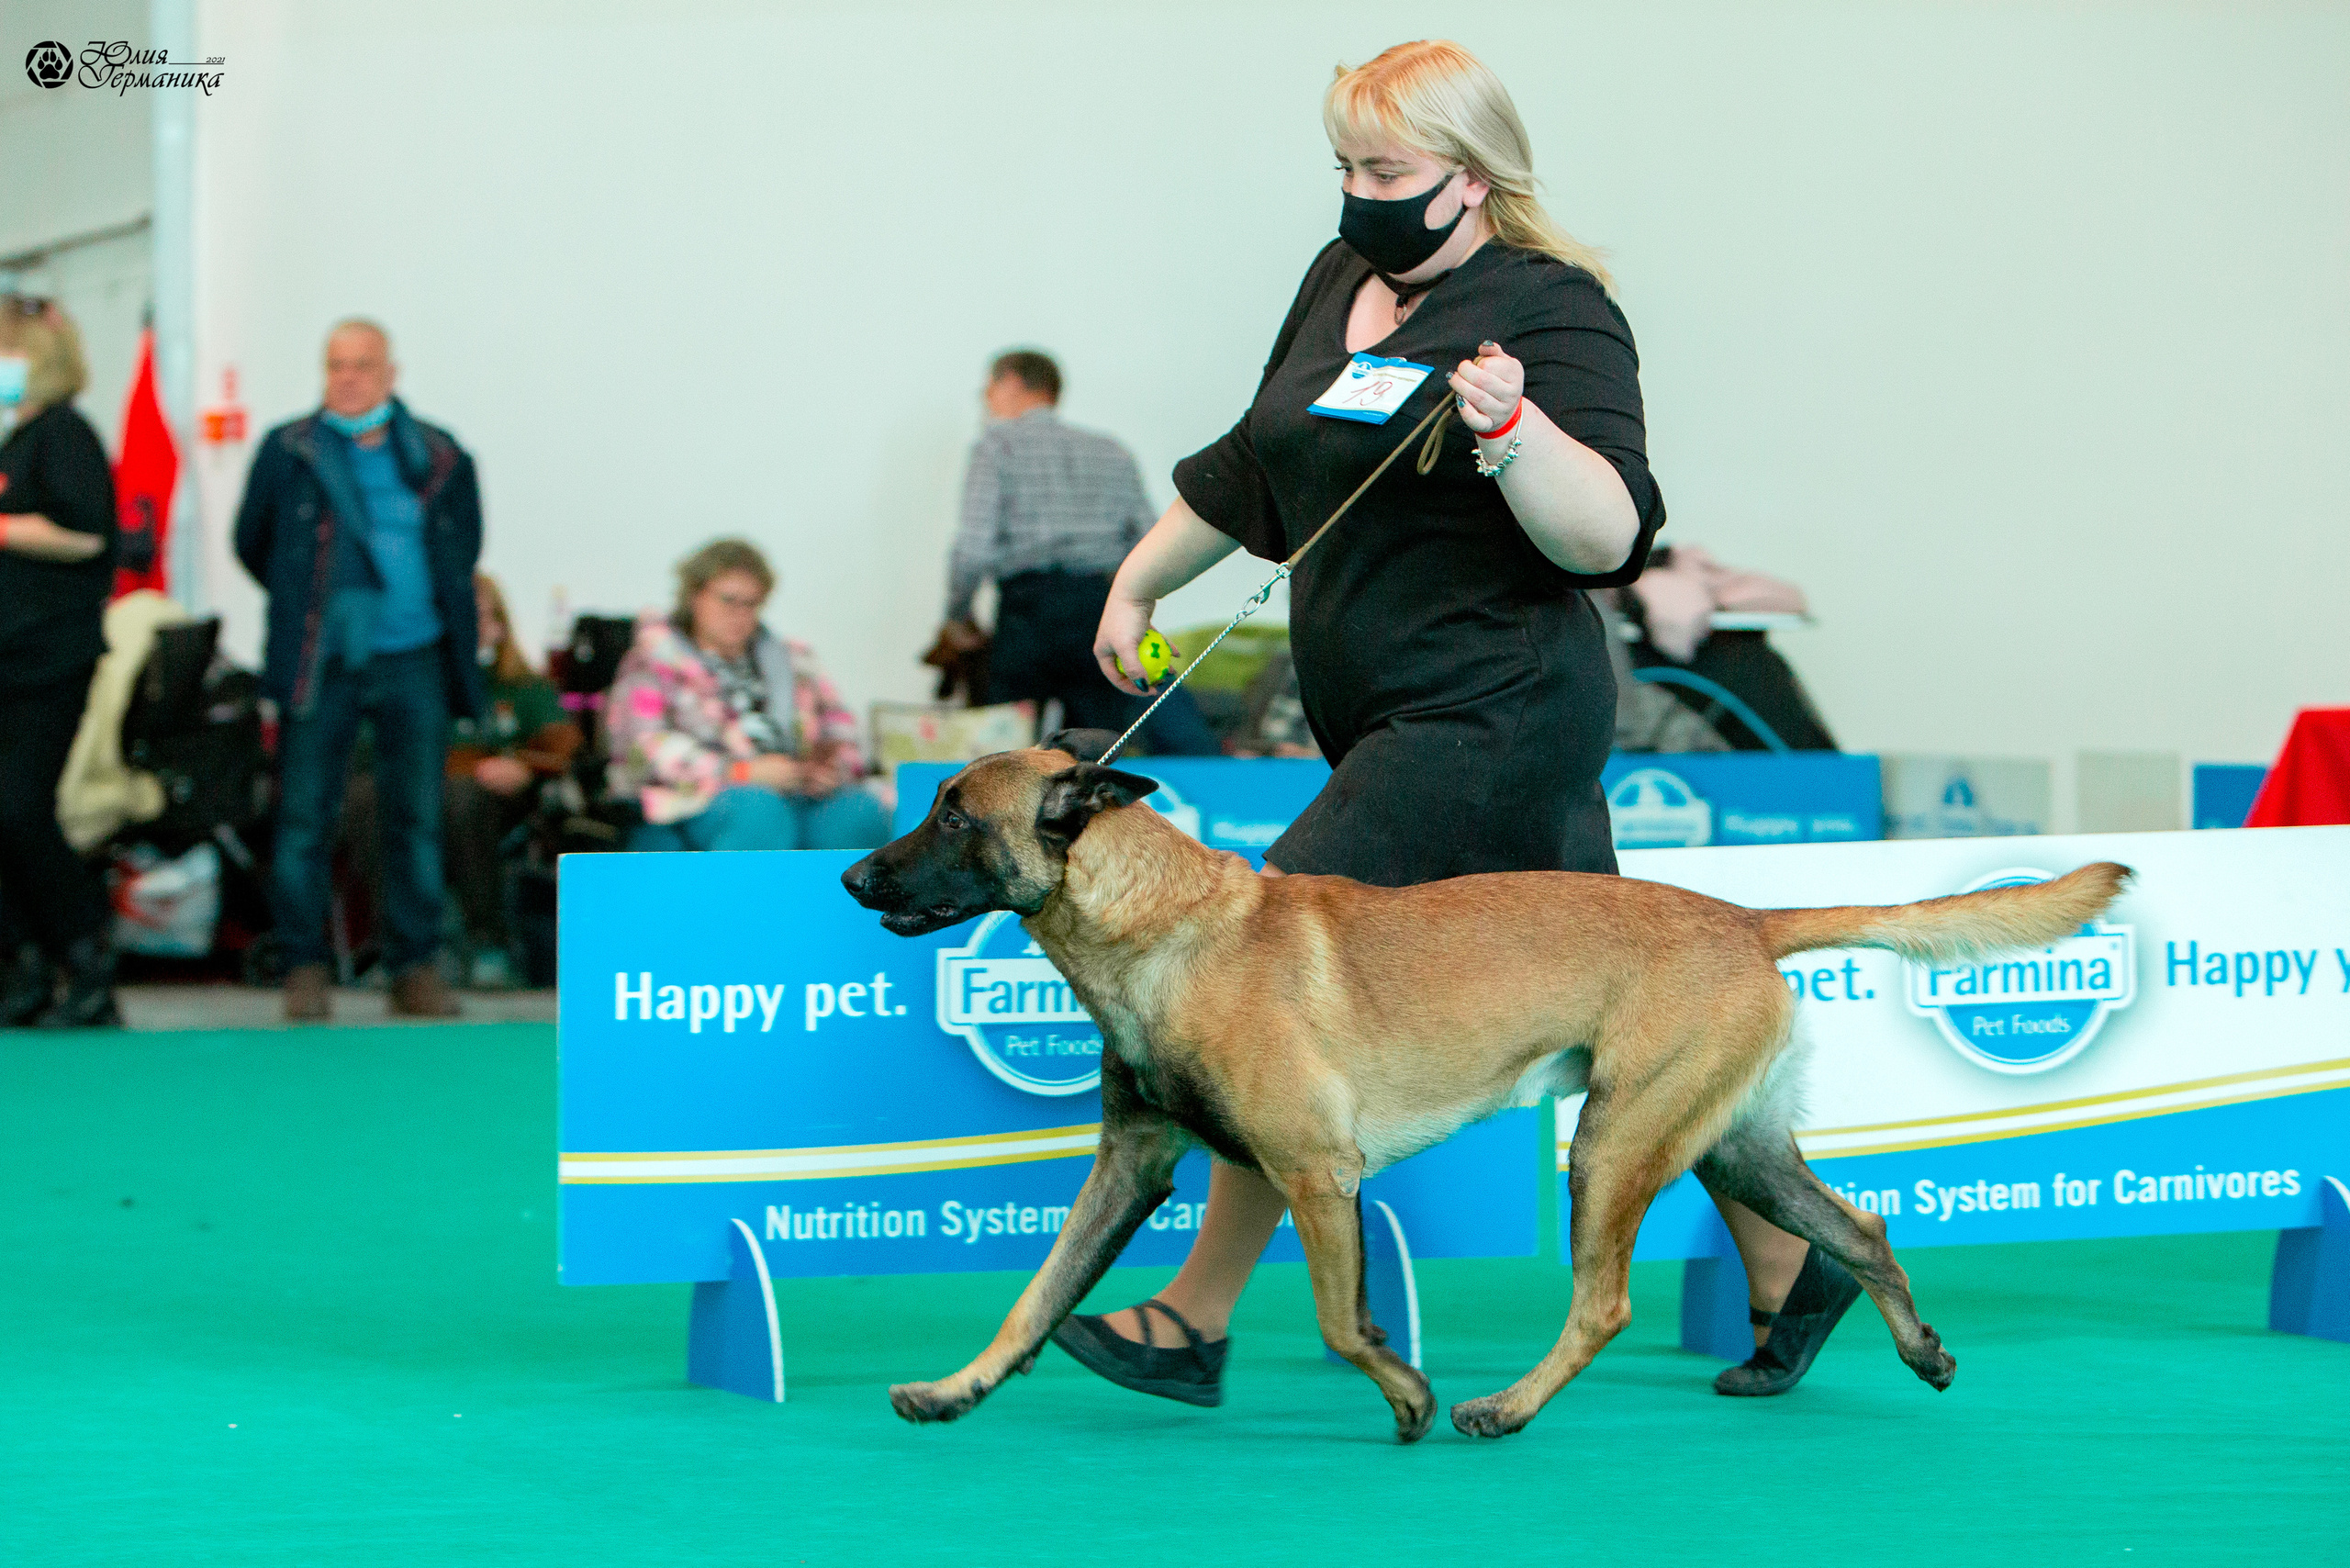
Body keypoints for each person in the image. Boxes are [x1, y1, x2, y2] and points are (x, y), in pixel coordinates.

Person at [1062, 39, 1860, 1406]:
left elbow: (1608, 532)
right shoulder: (1337, 283)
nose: (1358, 193)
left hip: (1493, 708)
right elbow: (1257, 458)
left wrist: (1515, 433)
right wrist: (1139, 579)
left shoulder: (1553, 310)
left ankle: (1193, 1318)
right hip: (1379, 710)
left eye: (1387, 169)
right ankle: (1795, 1264)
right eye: (1344, 166)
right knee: (1648, 1002)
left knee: (1264, 995)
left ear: (1474, 180)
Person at [235, 319, 483, 1021]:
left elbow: (461, 549)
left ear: (389, 373)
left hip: (416, 659)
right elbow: (253, 543)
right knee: (306, 817)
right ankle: (304, 967)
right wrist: (311, 608)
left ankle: (415, 967)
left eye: (361, 365)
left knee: (417, 818)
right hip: (323, 663)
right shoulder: (290, 451)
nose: (346, 377)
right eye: (335, 365)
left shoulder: (438, 455)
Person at [941, 351, 1219, 753]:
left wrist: (957, 617)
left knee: (1008, 752)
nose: (985, 400)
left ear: (1013, 383)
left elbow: (972, 551)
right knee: (1096, 753)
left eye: (988, 388)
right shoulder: (1110, 450)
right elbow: (1150, 539)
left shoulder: (996, 447)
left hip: (1026, 612)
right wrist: (1136, 607)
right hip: (1096, 605)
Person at [0, 295, 122, 1028]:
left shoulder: (64, 435)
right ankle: (24, 962)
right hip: (6, 657)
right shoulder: (14, 441)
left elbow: (86, 537)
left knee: (19, 808)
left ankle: (84, 948)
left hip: (48, 657)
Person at [607, 538, 889, 852]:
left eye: (752, 603)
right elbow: (645, 748)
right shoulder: (652, 660)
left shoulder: (794, 660)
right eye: (729, 600)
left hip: (794, 788)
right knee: (759, 813)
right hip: (695, 798)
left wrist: (830, 769)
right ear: (694, 596)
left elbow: (841, 727)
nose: (740, 614)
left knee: (859, 813)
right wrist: (741, 772)